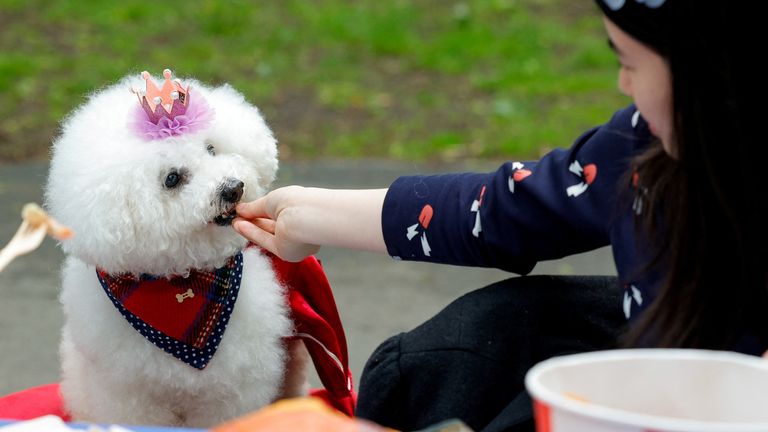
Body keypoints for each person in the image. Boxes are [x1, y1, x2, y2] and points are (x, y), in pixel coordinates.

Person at [233, 0, 767, 430]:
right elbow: (502, 212)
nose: (623, 86)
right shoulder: (640, 147)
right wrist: (312, 214)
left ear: (711, 72)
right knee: (460, 350)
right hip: (660, 372)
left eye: (629, 62)